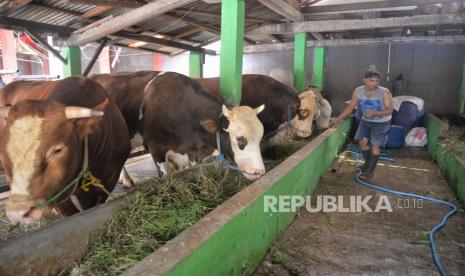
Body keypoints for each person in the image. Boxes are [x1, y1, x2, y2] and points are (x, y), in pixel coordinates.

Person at [329, 70, 393, 179]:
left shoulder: (384, 92)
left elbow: (390, 110)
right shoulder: (358, 91)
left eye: (377, 81)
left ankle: (369, 171)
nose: (374, 84)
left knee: (374, 145)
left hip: (381, 122)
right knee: (361, 142)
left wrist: (375, 112)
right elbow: (350, 107)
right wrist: (338, 118)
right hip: (366, 120)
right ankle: (367, 165)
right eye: (371, 81)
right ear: (364, 80)